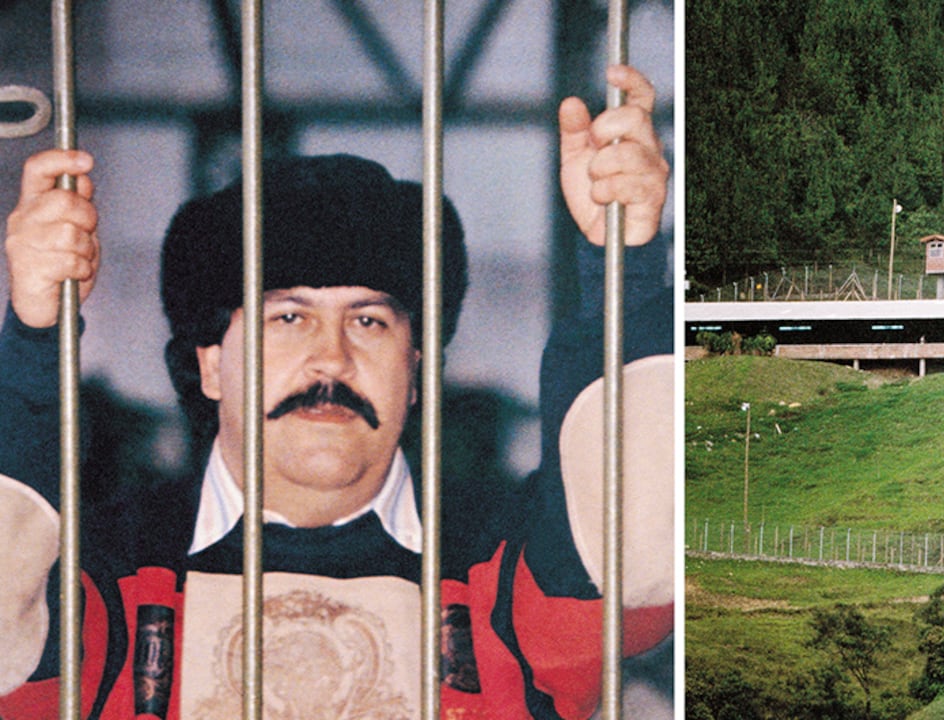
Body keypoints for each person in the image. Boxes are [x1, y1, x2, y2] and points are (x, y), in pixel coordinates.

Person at [0, 64, 672, 719]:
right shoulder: (103, 579)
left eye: (370, 320)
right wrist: (33, 333)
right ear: (210, 365)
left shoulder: (506, 572)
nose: (332, 355)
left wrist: (627, 259)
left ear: (414, 369)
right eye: (288, 317)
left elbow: (635, 552)